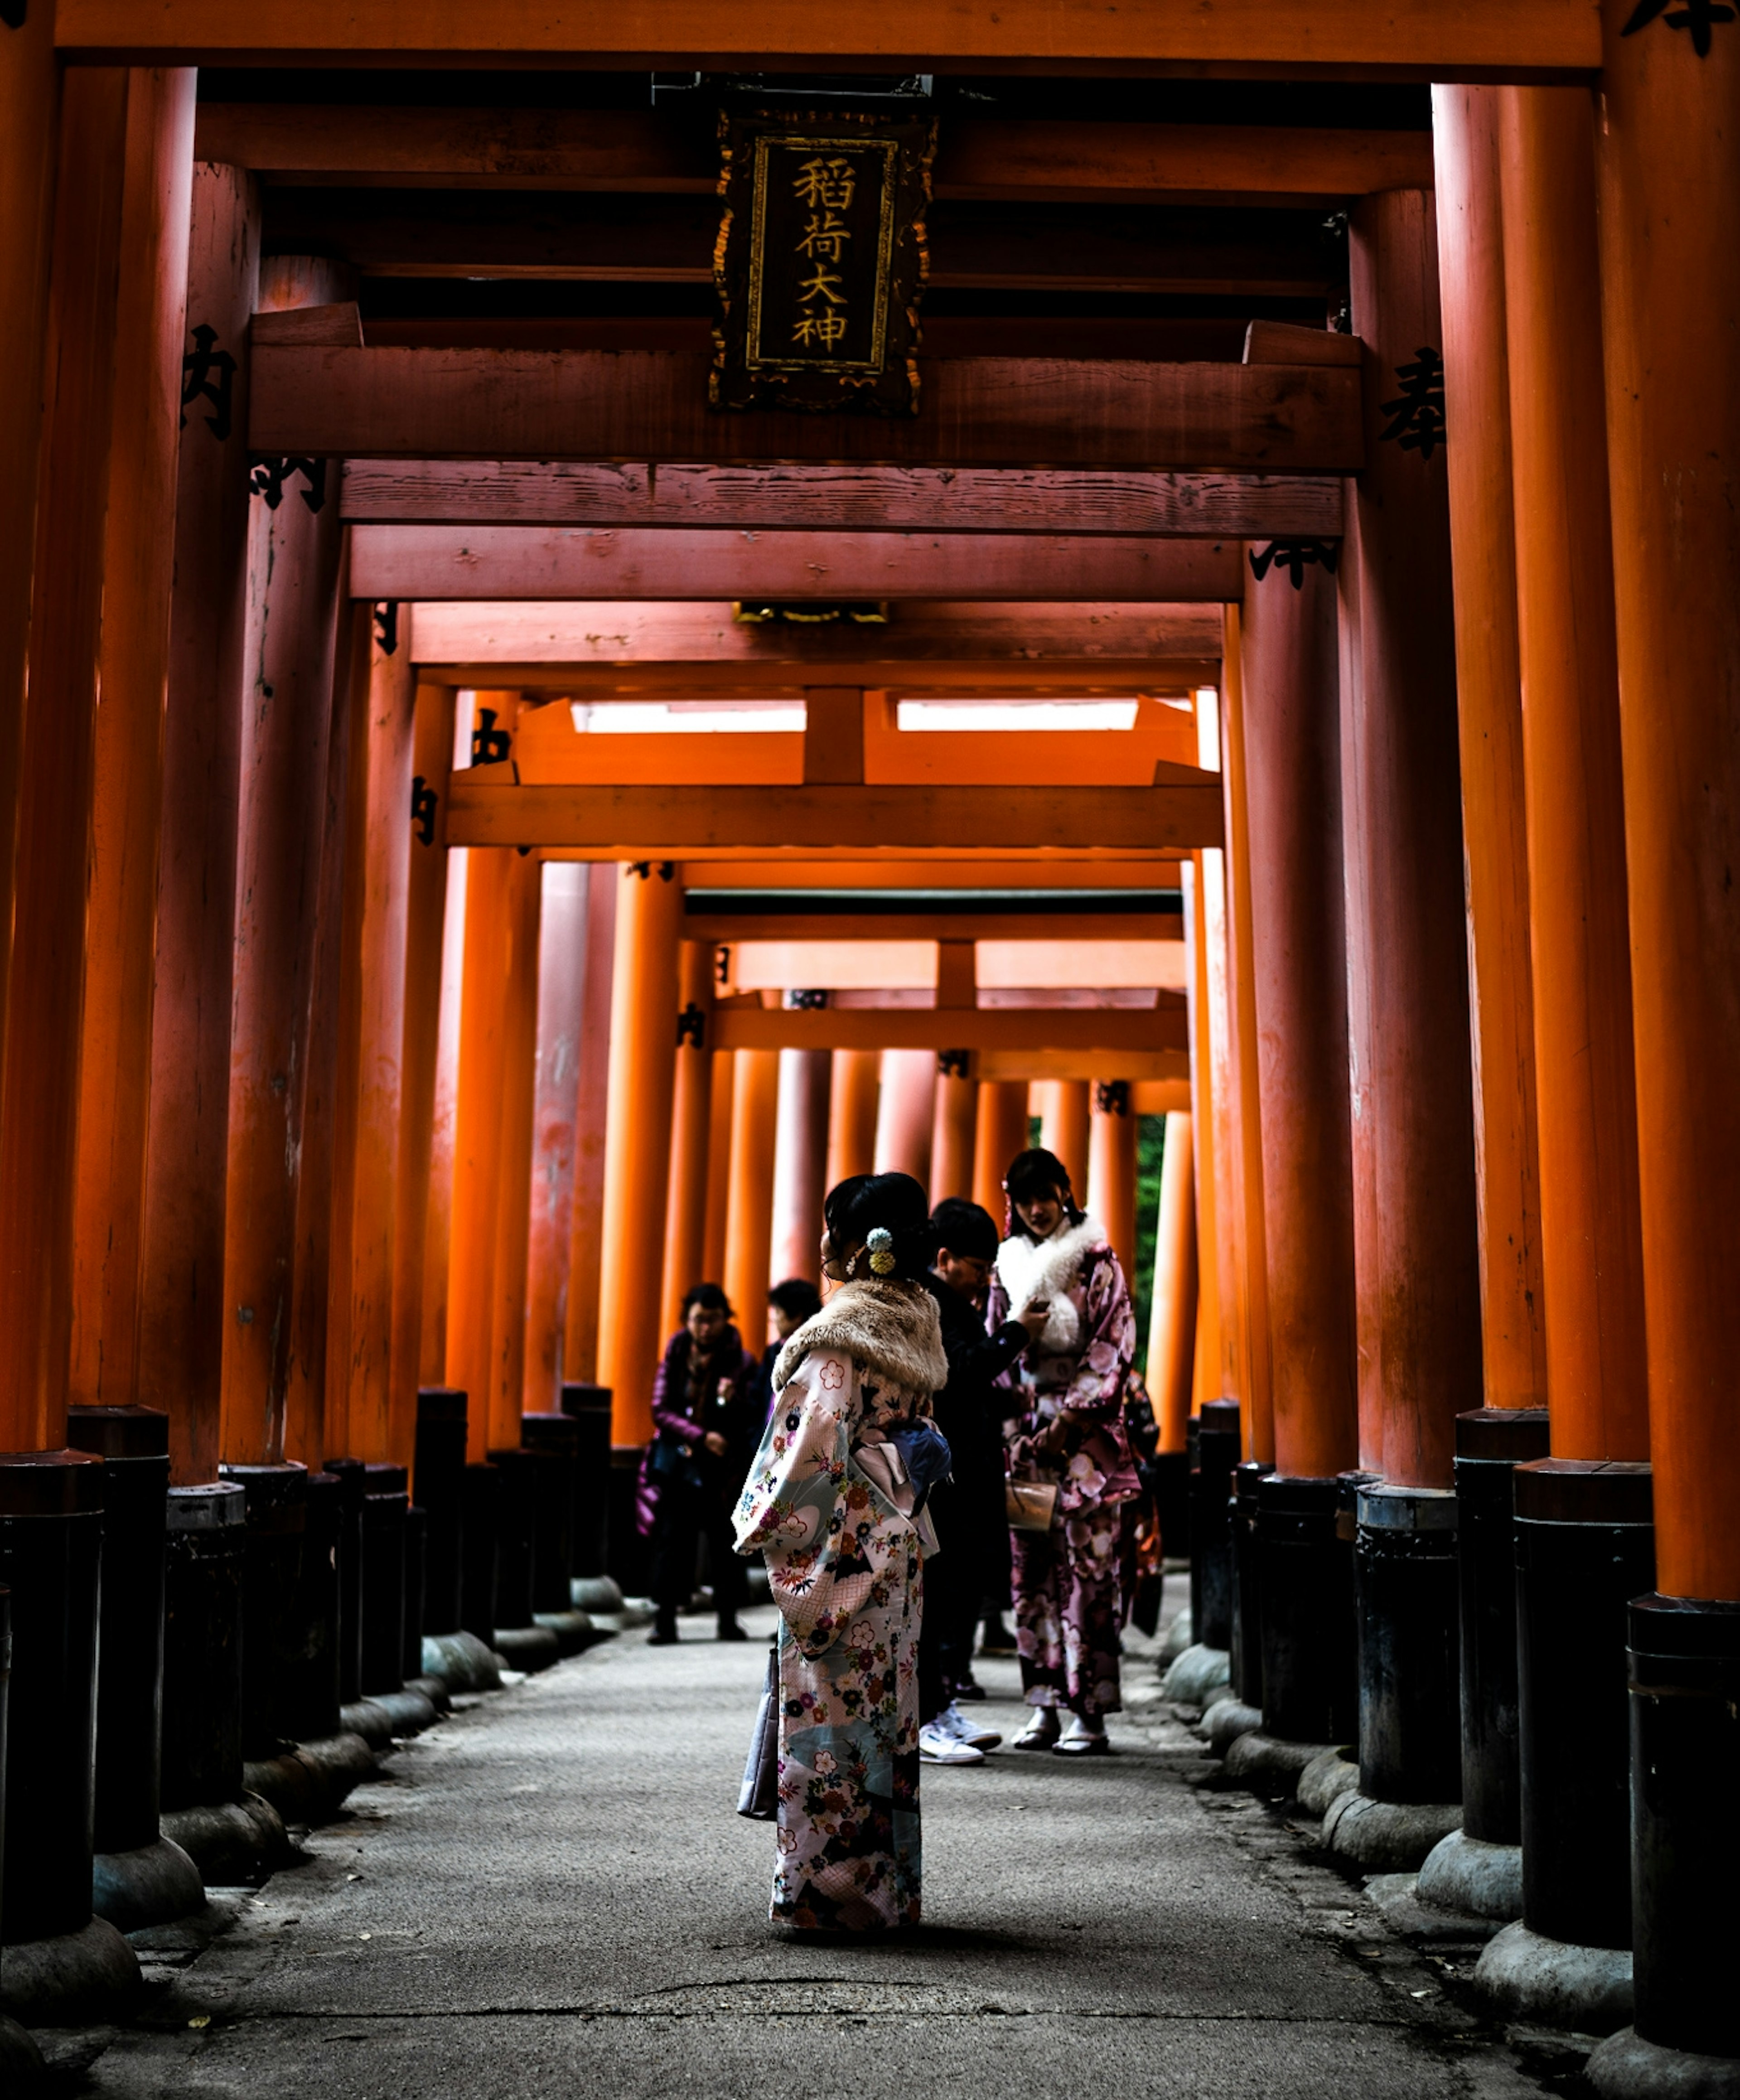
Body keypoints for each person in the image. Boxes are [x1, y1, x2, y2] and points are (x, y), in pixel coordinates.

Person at [734, 1172, 947, 1932]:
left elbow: (805, 1456)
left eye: (832, 1226)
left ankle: (827, 1897)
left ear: (863, 1248)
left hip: (845, 1549)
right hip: (897, 1549)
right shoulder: (917, 1325)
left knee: (829, 1725)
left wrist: (758, 1516)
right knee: (886, 1720)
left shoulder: (836, 1342)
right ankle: (888, 1895)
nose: (824, 1241)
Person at [987, 1147, 1140, 1755]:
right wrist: (1019, 1417)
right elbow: (998, 1343)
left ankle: (1090, 1713)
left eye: (1046, 1194)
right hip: (1025, 1440)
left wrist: (1071, 1417)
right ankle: (1045, 1703)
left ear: (1066, 1191)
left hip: (1087, 1445)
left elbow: (1115, 1345)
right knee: (1033, 1572)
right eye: (1025, 1199)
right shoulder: (1008, 1264)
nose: (1036, 1208)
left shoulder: (1099, 1261)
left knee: (1090, 1574)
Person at [916, 1196, 1039, 1766]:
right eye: (979, 1267)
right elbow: (960, 1371)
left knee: (959, 1594)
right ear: (944, 1257)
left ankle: (942, 1708)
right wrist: (1015, 1333)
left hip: (963, 1474)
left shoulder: (949, 1300)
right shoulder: (934, 1303)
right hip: (947, 1481)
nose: (985, 1279)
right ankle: (929, 1716)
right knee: (943, 1597)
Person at [642, 1282, 759, 1646]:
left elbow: (754, 1413)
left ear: (726, 1319)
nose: (705, 1328)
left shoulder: (742, 1361)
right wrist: (698, 1436)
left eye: (712, 1320)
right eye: (697, 1320)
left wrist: (734, 1398)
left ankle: (728, 1619)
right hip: (681, 1464)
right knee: (672, 1542)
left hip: (723, 1468)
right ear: (686, 1321)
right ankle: (665, 1620)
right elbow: (660, 1409)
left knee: (726, 1543)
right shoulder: (675, 1353)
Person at [753, 1276, 824, 1423]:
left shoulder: (817, 1354)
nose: (773, 1319)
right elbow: (757, 1400)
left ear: (796, 1315)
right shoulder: (773, 1352)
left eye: (778, 1312)